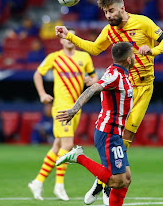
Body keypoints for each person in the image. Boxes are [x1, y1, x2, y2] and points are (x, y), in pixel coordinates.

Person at [55, 0, 163, 204]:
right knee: (117, 135)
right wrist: (69, 36)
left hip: (144, 87)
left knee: (127, 134)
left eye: (110, 11)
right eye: (105, 12)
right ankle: (105, 180)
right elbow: (94, 48)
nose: (108, 16)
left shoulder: (143, 23)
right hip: (123, 87)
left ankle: (102, 182)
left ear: (121, 7)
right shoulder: (109, 31)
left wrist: (152, 50)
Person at [56, 42, 135, 206]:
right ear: (128, 59)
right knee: (116, 181)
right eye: (133, 54)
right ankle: (78, 157)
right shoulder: (115, 76)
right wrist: (74, 109)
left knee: (126, 179)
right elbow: (93, 89)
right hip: (108, 133)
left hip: (115, 133)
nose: (135, 57)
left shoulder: (117, 72)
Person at [28, 29, 99, 201]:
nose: (68, 40)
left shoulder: (84, 58)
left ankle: (37, 182)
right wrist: (42, 94)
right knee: (68, 144)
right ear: (61, 40)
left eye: (71, 36)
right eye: (65, 37)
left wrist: (93, 81)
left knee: (58, 146)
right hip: (61, 107)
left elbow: (94, 77)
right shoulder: (54, 57)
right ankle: (59, 185)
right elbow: (37, 74)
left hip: (77, 107)